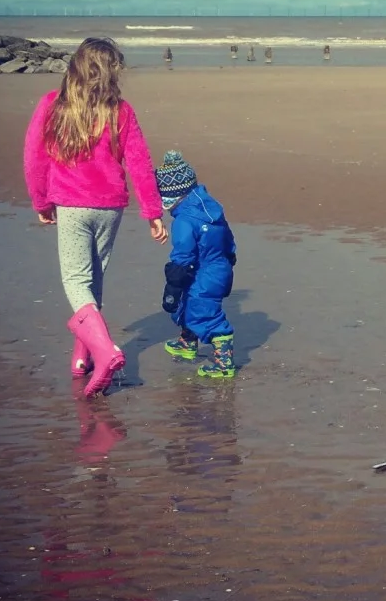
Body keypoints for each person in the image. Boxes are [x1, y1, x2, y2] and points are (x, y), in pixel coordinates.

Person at [24, 37, 168, 398]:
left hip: (72, 205)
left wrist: (41, 201)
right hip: (109, 207)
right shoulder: (120, 110)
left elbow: (34, 159)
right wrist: (152, 212)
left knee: (76, 280)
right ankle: (82, 356)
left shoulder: (52, 105)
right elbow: (140, 164)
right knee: (94, 277)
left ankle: (104, 352)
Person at [155, 150, 237, 378]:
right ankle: (187, 342)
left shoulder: (184, 221)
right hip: (219, 268)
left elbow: (183, 255)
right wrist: (230, 257)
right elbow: (228, 239)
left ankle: (224, 363)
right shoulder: (212, 211)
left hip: (205, 274)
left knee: (204, 313)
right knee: (188, 304)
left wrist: (173, 284)